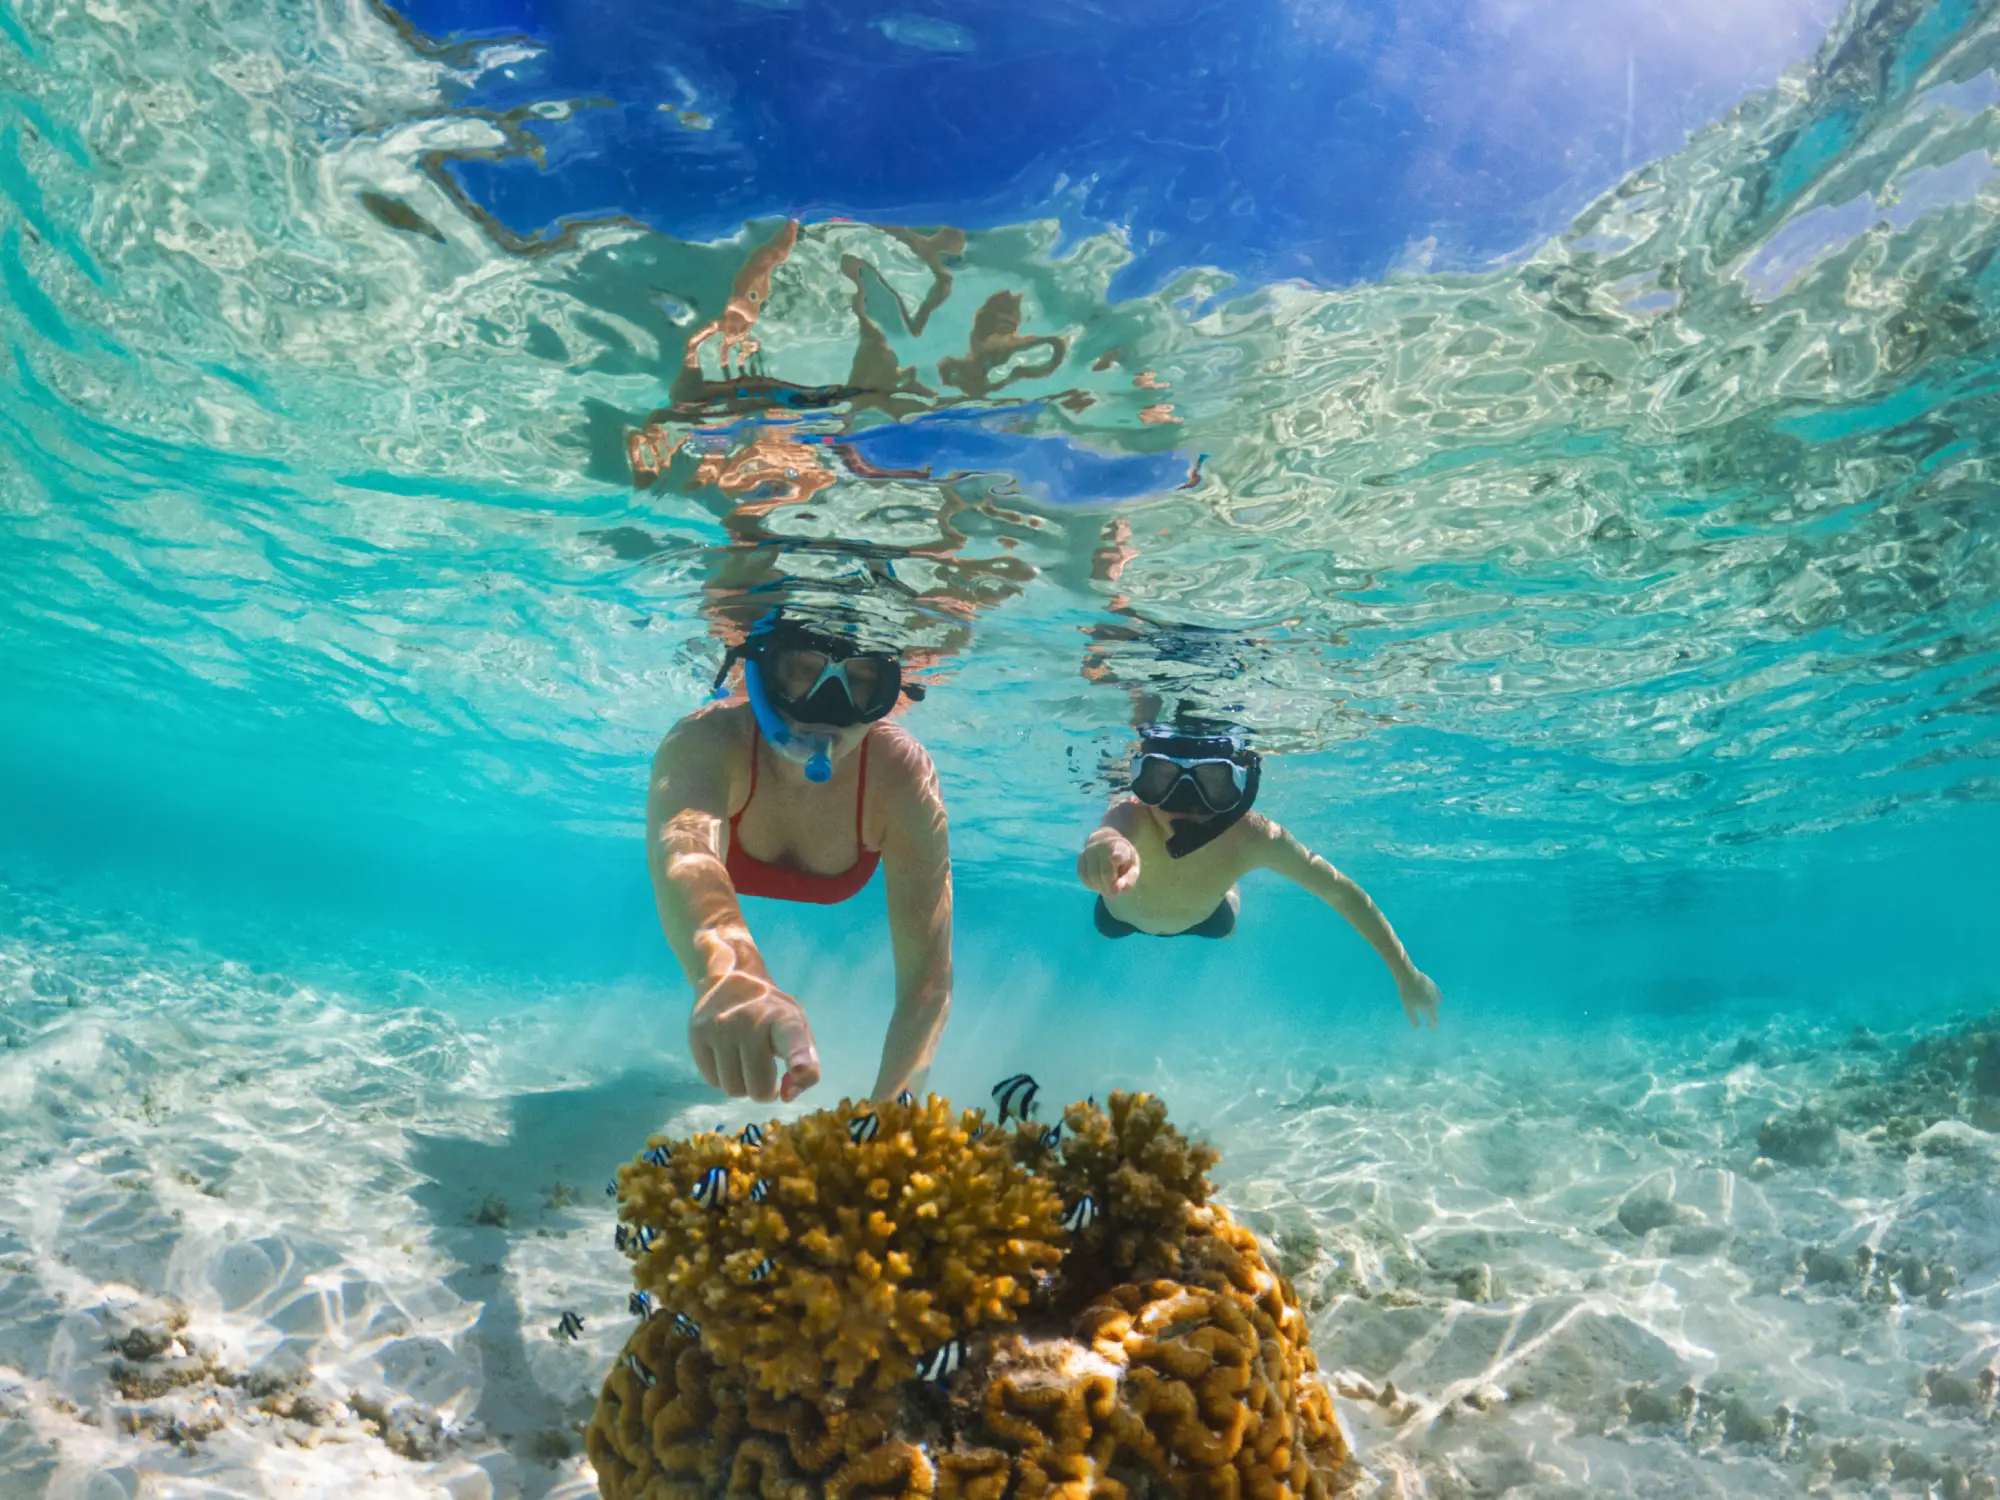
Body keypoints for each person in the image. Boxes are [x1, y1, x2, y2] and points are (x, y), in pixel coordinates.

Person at [646, 616, 953, 1103]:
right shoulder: (708, 742)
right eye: (799, 672)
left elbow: (928, 981)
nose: (828, 706)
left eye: (863, 682)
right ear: (760, 673)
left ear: (888, 694)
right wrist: (728, 974)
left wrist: (885, 1123)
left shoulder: (900, 775)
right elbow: (686, 855)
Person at [1076, 724, 1443, 1028]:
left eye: (1213, 783)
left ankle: (1228, 889)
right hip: (1118, 918)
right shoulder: (1134, 815)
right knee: (1105, 923)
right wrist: (1106, 843)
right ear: (1140, 778)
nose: (1184, 801)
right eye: (1162, 779)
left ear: (1240, 787)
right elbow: (1111, 831)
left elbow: (1342, 893)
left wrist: (1406, 973)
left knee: (1226, 924)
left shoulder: (1253, 836)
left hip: (1209, 919)